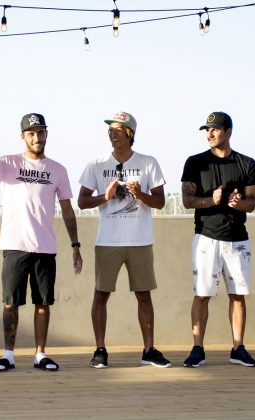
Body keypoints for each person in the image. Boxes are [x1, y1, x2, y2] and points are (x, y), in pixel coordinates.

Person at [0, 113, 82, 372]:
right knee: (11, 303)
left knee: (43, 304)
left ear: (46, 134)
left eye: (40, 132)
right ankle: (8, 354)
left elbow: (67, 210)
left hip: (45, 248)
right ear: (23, 137)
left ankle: (40, 355)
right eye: (31, 133)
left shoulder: (58, 170)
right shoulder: (8, 163)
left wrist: (76, 246)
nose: (37, 137)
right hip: (14, 245)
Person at [78, 111, 171, 369]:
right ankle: (100, 350)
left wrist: (140, 194)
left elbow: (161, 202)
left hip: (140, 241)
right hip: (108, 241)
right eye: (110, 129)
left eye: (117, 130)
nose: (112, 133)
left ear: (130, 133)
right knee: (101, 294)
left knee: (144, 295)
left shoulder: (148, 162)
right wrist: (105, 197)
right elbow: (82, 201)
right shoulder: (96, 164)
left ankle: (149, 350)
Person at [181, 111, 255, 368]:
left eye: (214, 130)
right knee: (202, 294)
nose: (210, 134)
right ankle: (197, 349)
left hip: (237, 240)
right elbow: (187, 201)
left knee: (237, 295)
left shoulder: (247, 164)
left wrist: (238, 204)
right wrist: (210, 201)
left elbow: (252, 203)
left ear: (228, 132)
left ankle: (238, 348)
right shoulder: (195, 163)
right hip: (206, 238)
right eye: (207, 130)